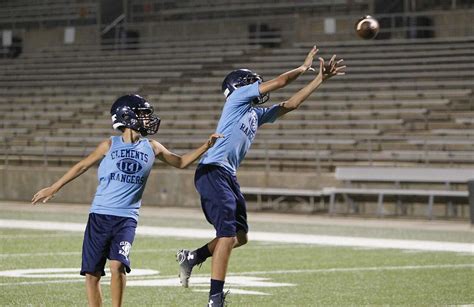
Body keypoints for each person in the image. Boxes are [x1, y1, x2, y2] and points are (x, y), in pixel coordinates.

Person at [176, 46, 345, 306]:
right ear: (241, 86)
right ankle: (215, 299)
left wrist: (319, 79)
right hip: (212, 170)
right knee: (226, 235)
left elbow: (291, 104)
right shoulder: (236, 99)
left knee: (240, 237)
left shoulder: (254, 113)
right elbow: (280, 82)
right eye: (254, 81)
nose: (259, 85)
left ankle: (193, 257)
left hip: (228, 174)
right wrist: (302, 68)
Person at [31, 94, 222, 307]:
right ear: (127, 115)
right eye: (143, 114)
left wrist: (206, 146)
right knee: (92, 273)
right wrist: (54, 187)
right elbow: (81, 166)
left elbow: (181, 161)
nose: (148, 119)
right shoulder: (108, 145)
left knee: (117, 266)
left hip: (126, 218)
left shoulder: (152, 146)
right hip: (100, 215)